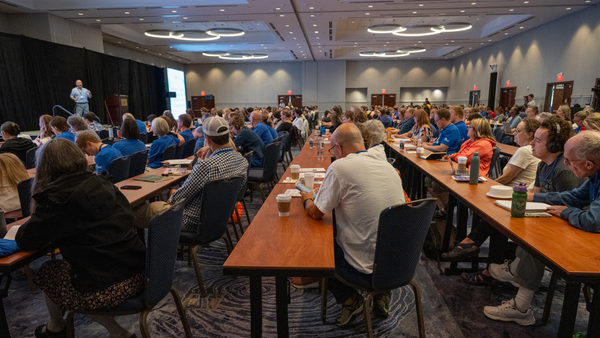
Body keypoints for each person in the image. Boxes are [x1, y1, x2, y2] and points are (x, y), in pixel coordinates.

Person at [15, 139, 145, 338]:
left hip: (108, 287)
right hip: (139, 272)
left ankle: (56, 328)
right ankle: (118, 333)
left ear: (45, 168)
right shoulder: (104, 182)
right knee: (75, 272)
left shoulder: (57, 200)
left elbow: (25, 239)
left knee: (49, 272)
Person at [483, 130, 600, 326]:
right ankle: (516, 273)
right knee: (535, 232)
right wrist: (534, 197)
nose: (566, 164)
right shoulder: (594, 174)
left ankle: (521, 302)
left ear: (588, 164)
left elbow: (592, 221)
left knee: (541, 238)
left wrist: (565, 212)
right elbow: (573, 197)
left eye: (570, 161)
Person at [299, 123, 405, 325]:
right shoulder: (388, 166)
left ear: (338, 148)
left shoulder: (340, 167)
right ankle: (382, 292)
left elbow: (316, 213)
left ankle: (350, 298)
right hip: (399, 264)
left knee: (320, 246)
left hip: (364, 267)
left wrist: (307, 198)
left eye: (333, 150)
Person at [134, 116, 248, 231]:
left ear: (208, 139)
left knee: (133, 213)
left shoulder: (206, 165)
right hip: (218, 219)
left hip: (190, 221)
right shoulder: (242, 161)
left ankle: (143, 247)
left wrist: (168, 206)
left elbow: (180, 197)